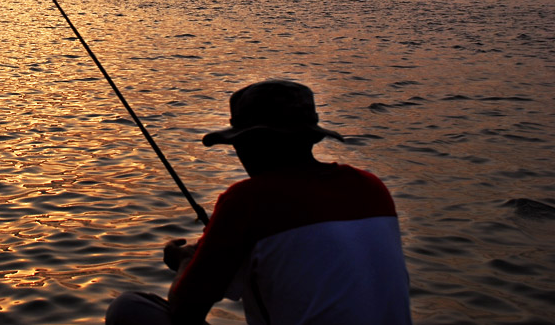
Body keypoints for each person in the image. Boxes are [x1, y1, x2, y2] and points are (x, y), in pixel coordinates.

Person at [105, 80, 412, 325]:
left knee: (130, 308)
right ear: (310, 138)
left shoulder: (248, 200)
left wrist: (186, 261)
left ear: (251, 143)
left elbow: (186, 311)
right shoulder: (371, 188)